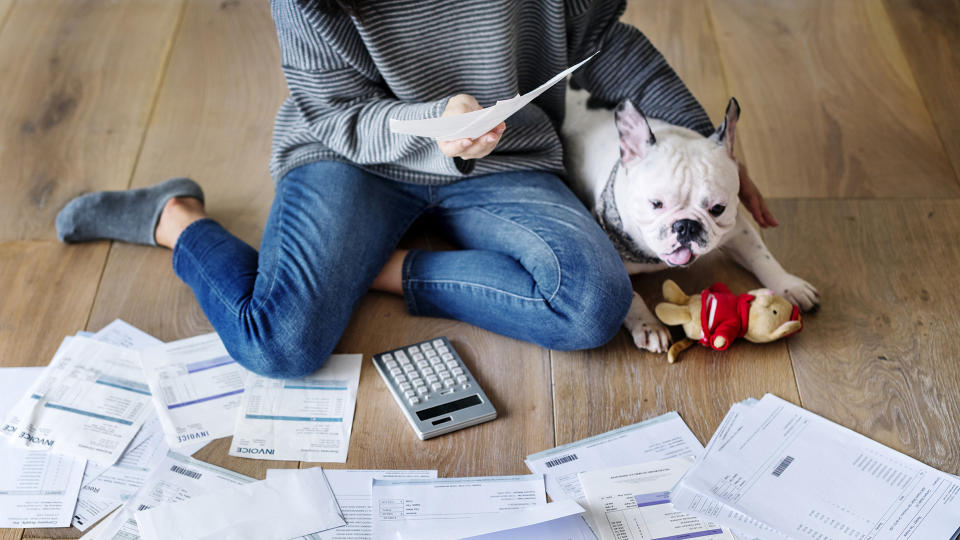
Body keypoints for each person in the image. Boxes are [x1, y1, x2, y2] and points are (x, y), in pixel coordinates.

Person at [55, 0, 776, 379]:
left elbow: (606, 43)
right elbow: (333, 113)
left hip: (505, 156)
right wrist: (429, 123)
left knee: (594, 304)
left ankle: (382, 269)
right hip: (352, 156)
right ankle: (175, 218)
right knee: (277, 344)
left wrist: (702, 154)